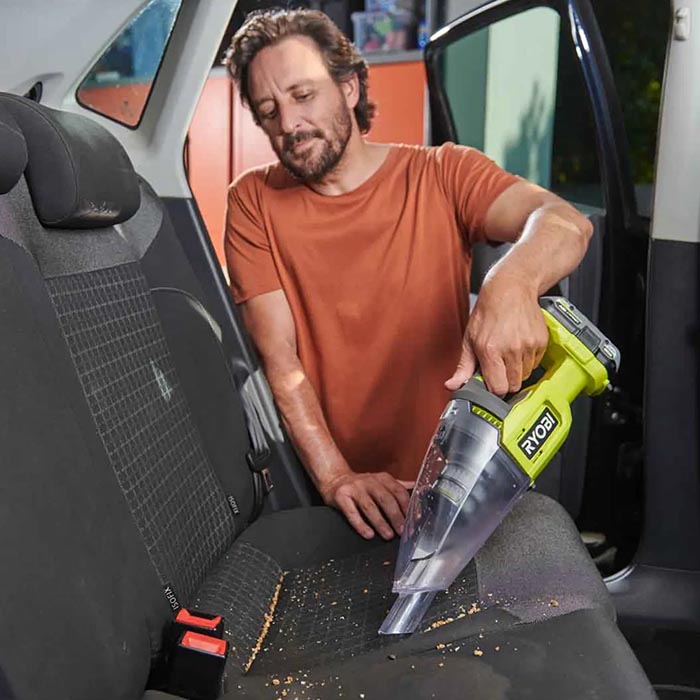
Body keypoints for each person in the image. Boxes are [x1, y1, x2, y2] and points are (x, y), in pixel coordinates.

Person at [223, 8, 593, 542]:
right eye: (268, 110)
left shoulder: (444, 173)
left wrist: (510, 282)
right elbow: (281, 361)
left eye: (303, 95)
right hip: (341, 496)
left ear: (348, 87)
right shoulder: (252, 201)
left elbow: (565, 222)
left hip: (455, 481)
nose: (289, 123)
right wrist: (336, 478)